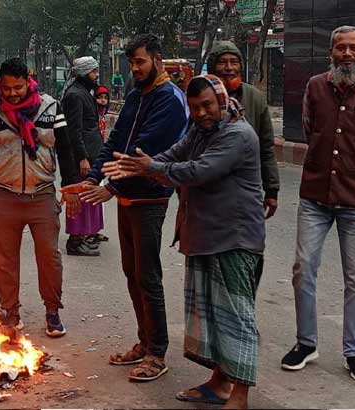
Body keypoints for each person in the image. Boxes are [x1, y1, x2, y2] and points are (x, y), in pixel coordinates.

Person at [105, 74, 265, 408]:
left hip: (234, 240)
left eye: (207, 105)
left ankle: (241, 396)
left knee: (236, 319)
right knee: (211, 316)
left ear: (221, 101)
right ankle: (220, 384)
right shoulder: (199, 130)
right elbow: (175, 153)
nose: (202, 113)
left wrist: (151, 167)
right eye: (195, 108)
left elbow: (197, 170)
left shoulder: (238, 134)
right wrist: (141, 167)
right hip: (204, 236)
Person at [66, 33, 189, 382]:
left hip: (151, 196)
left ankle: (156, 352)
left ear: (158, 61)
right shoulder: (136, 95)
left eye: (141, 62)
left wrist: (111, 186)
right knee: (131, 272)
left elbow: (143, 152)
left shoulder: (169, 99)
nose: (135, 69)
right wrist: (92, 180)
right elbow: (116, 141)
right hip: (126, 197)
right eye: (132, 63)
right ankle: (144, 340)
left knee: (148, 275)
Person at [281, 25, 355, 382]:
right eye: (340, 48)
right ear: (330, 52)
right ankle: (306, 342)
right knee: (303, 269)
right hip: (315, 196)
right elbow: (308, 128)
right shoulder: (316, 87)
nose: (347, 54)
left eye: (354, 48)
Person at [0, 57, 80, 337]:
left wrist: (71, 188)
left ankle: (52, 312)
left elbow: (66, 150)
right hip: (4, 198)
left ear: (29, 81)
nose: (12, 93)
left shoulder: (51, 108)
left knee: (49, 258)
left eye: (18, 87)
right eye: (7, 88)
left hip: (42, 197)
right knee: (5, 260)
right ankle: (11, 314)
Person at [208, 41, 280, 219]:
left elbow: (266, 147)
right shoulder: (201, 96)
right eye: (222, 62)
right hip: (209, 189)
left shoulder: (255, 98)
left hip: (246, 190)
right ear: (212, 66)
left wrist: (271, 189)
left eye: (234, 62)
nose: (229, 68)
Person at [62, 56, 104, 257]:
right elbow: (74, 130)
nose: (96, 76)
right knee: (80, 197)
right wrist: (82, 158)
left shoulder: (84, 93)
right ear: (84, 73)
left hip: (92, 153)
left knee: (90, 197)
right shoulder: (75, 95)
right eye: (94, 72)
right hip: (82, 156)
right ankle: (76, 240)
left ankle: (88, 235)